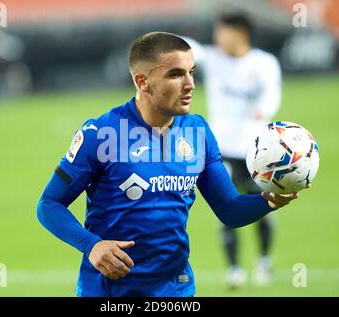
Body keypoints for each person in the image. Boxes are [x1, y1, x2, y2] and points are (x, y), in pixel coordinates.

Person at [37, 31, 299, 297]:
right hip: (108, 291)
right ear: (142, 82)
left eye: (192, 72)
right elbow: (49, 205)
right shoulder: (102, 134)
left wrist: (268, 200)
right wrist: (91, 245)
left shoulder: (197, 131)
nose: (190, 84)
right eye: (176, 75)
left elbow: (228, 208)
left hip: (176, 290)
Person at [183, 14, 282, 288]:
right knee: (225, 206)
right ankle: (234, 269)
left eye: (223, 33)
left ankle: (263, 261)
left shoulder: (263, 63)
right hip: (221, 149)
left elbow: (272, 95)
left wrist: (263, 110)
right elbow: (192, 48)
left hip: (255, 150)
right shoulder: (214, 59)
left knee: (262, 205)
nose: (218, 38)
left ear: (240, 34)